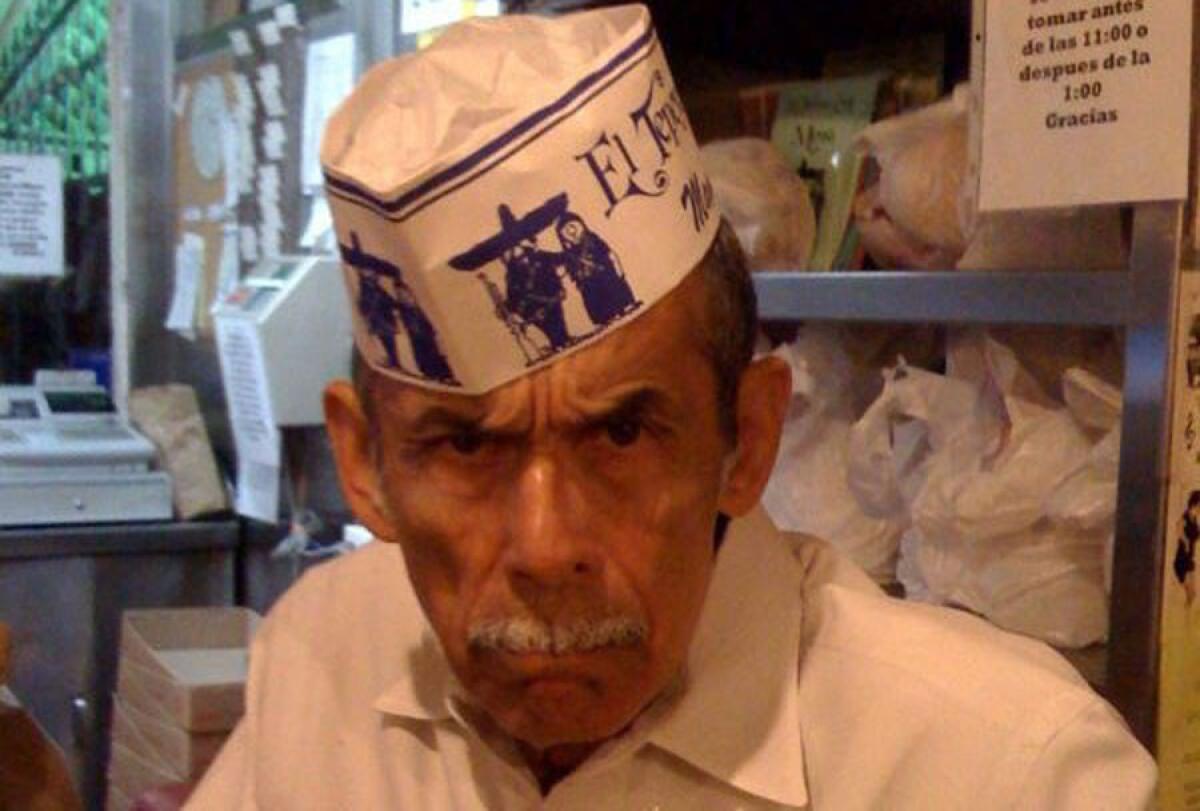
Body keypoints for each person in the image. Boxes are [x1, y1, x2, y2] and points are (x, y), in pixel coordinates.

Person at [187, 7, 1155, 809]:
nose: (542, 546)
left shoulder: (1007, 770)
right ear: (366, 464)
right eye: (462, 445)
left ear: (750, 437)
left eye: (619, 432)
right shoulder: (316, 654)